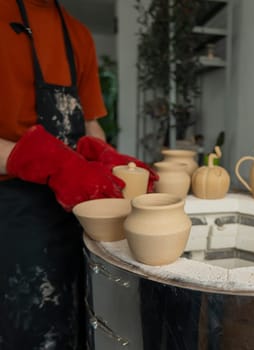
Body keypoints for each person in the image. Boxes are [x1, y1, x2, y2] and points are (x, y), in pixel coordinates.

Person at [0, 0, 157, 348]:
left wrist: (109, 160)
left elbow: (90, 125)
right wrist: (49, 160)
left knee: (79, 323)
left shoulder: (78, 35)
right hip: (11, 214)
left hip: (76, 208)